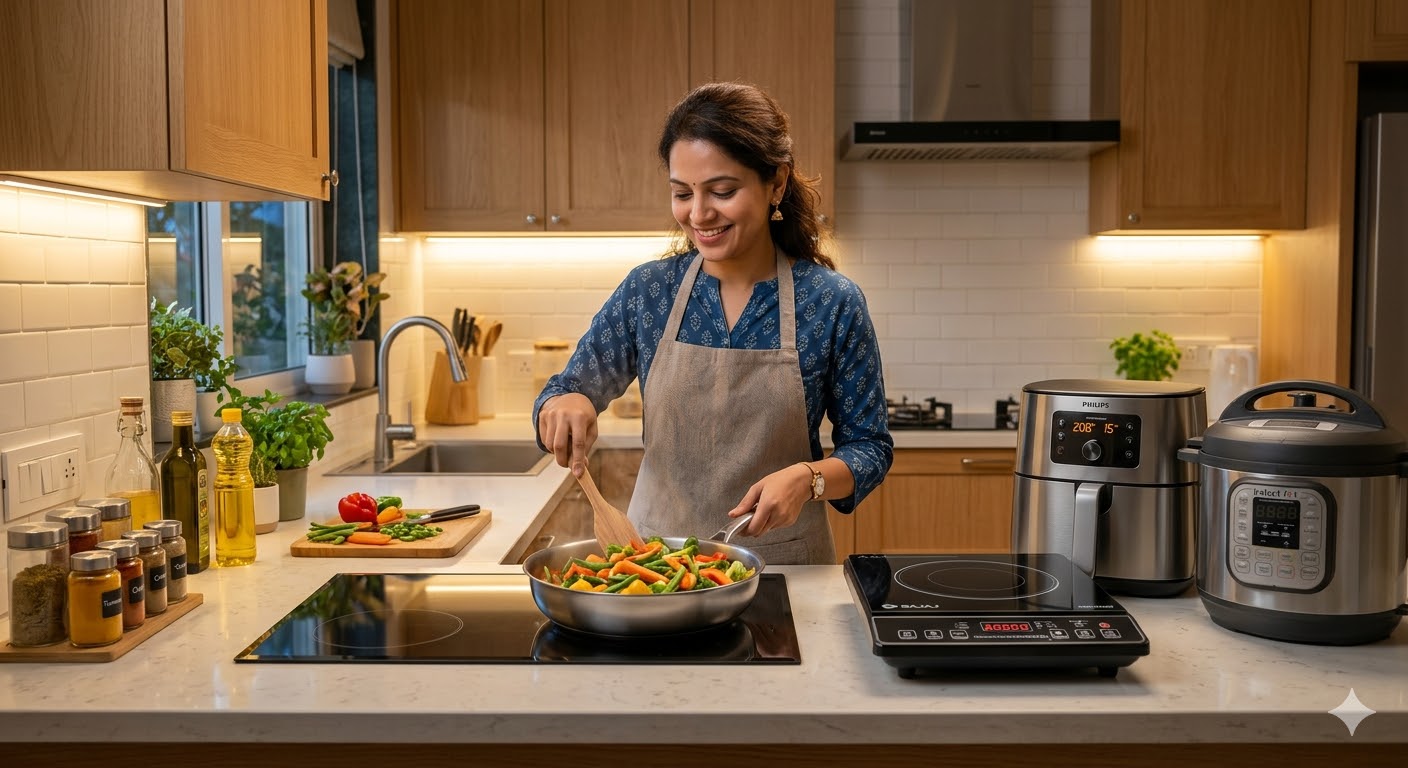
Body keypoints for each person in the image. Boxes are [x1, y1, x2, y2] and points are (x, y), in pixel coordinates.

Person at [534, 82, 892, 565]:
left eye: (722, 191)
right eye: (683, 193)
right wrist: (566, 402)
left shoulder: (831, 302)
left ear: (777, 184)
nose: (699, 214)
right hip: (654, 567)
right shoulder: (650, 291)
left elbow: (870, 448)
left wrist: (810, 478)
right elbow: (563, 391)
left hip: (783, 570)